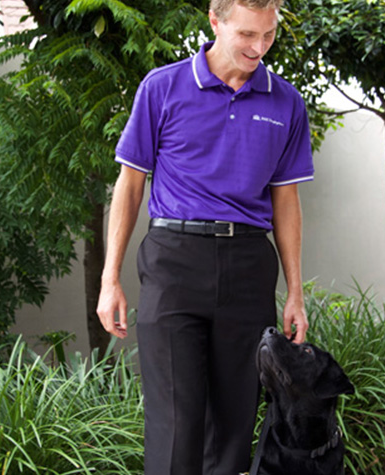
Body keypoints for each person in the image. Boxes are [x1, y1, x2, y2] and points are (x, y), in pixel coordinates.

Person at [96, 0, 314, 472]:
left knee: (234, 426)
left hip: (249, 264)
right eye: (247, 35)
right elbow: (130, 185)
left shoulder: (286, 102)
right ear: (215, 23)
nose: (259, 48)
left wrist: (295, 292)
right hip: (175, 261)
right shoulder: (163, 87)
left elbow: (286, 202)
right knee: (176, 423)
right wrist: (109, 277)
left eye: (269, 35)